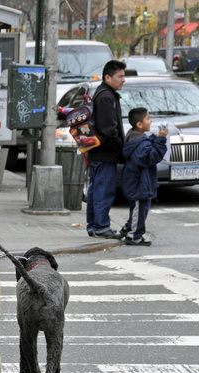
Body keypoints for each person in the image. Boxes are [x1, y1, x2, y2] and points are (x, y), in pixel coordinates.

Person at [86, 60, 126, 239]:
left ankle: (94, 226)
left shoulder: (104, 94)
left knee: (96, 189)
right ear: (108, 77)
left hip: (98, 152)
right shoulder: (106, 97)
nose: (123, 80)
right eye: (120, 76)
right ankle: (101, 226)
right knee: (103, 190)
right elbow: (109, 130)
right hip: (105, 153)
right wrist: (121, 150)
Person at [120, 108, 169, 246]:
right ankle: (134, 236)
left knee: (139, 208)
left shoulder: (136, 138)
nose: (151, 120)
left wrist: (154, 137)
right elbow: (150, 157)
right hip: (139, 182)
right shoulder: (139, 143)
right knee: (139, 208)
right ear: (139, 125)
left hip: (138, 181)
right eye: (148, 118)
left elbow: (145, 146)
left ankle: (129, 228)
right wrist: (161, 140)